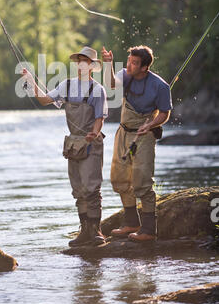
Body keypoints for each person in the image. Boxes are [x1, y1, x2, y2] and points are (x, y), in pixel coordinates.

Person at [21, 47, 108, 247]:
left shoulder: (98, 90)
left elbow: (99, 118)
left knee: (91, 188)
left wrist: (93, 133)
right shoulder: (66, 86)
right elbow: (44, 100)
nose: (81, 64)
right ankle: (84, 232)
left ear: (93, 66)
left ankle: (96, 232)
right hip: (73, 144)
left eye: (85, 61)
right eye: (79, 61)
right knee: (78, 189)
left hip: (91, 143)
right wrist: (30, 81)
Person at [101, 45, 172, 242]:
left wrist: (150, 124)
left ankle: (149, 230)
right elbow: (111, 84)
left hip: (145, 136)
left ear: (145, 68)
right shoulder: (126, 75)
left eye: (134, 63)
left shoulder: (160, 86)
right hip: (123, 133)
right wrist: (108, 64)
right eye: (129, 61)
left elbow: (165, 114)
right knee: (119, 178)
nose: (129, 65)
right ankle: (131, 223)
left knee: (141, 181)